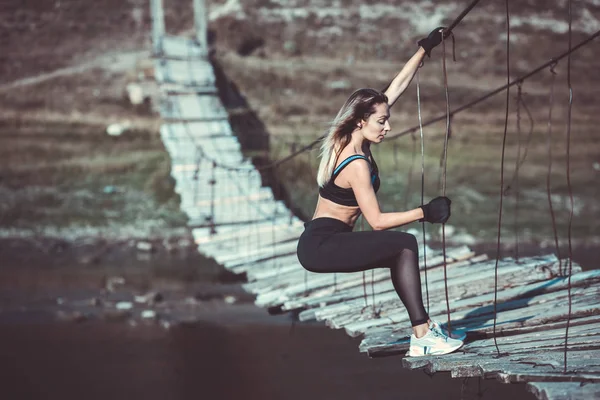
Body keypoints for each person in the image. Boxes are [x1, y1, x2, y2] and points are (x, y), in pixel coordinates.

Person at [296, 28, 463, 357]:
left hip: (323, 240)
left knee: (398, 251)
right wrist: (424, 213)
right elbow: (376, 221)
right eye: (382, 122)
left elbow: (394, 89)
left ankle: (423, 331)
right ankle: (422, 335)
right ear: (361, 122)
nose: (388, 127)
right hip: (322, 245)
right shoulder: (356, 163)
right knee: (403, 244)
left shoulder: (347, 138)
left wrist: (423, 50)